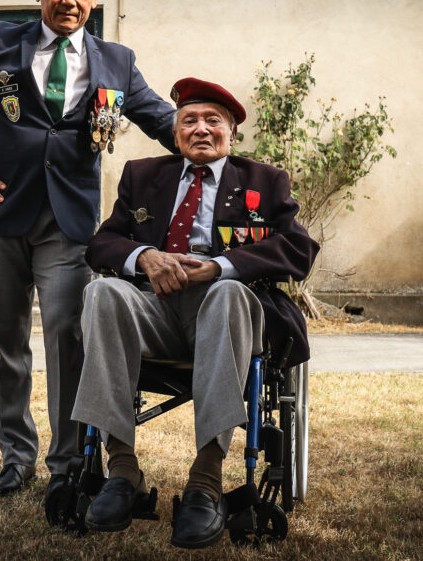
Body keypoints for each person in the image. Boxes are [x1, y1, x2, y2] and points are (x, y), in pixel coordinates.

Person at [0, 0, 177, 498]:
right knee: (4, 338)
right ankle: (16, 456)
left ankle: (65, 463)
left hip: (69, 223)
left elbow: (163, 121)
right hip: (1, 212)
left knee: (68, 336)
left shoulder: (118, 62)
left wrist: (216, 144)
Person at [71, 77, 318, 548]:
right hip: (155, 311)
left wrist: (221, 267)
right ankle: (122, 472)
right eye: (189, 121)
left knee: (227, 294)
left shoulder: (264, 181)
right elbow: (102, 242)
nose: (200, 129)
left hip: (226, 315)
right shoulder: (143, 175)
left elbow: (299, 248)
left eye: (213, 121)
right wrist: (144, 256)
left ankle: (206, 480)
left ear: (231, 133)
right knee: (102, 294)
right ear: (176, 130)